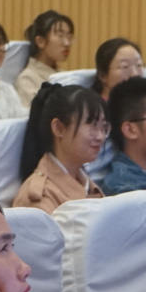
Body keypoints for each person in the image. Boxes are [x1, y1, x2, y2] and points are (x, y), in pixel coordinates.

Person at [14, 83, 106, 212]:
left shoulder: (85, 183)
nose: (101, 136)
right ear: (59, 128)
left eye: (103, 127)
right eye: (92, 125)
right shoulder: (40, 198)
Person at [15, 10, 75, 107]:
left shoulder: (65, 75)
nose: (67, 43)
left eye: (69, 36)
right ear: (40, 41)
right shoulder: (27, 79)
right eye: (60, 36)